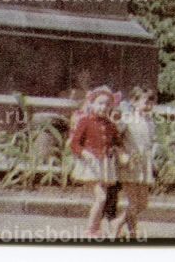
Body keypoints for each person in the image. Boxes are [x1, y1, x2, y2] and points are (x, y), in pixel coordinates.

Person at [68, 86, 123, 238]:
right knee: (101, 197)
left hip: (105, 164)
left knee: (102, 197)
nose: (103, 107)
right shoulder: (85, 121)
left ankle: (96, 229)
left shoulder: (110, 125)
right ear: (91, 104)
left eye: (107, 104)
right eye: (100, 103)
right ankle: (90, 229)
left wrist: (116, 149)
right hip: (92, 164)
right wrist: (84, 152)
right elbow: (74, 144)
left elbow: (116, 142)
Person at [112, 86, 157, 239]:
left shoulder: (149, 121)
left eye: (151, 102)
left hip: (144, 164)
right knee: (133, 202)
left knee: (142, 203)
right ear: (134, 101)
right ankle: (126, 228)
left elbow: (150, 142)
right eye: (145, 102)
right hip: (131, 163)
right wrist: (122, 153)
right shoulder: (127, 119)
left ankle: (122, 224)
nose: (149, 106)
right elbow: (116, 137)